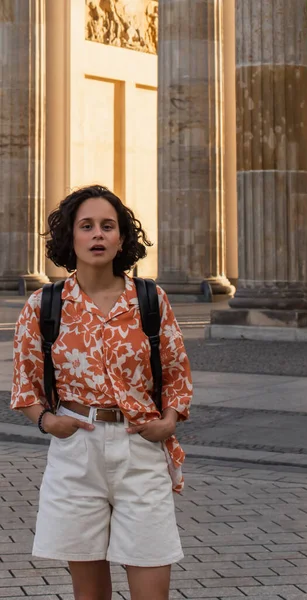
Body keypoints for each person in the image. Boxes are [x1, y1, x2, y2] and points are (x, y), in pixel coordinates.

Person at [11, 185, 192, 600]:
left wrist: (168, 421)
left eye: (107, 226)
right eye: (86, 226)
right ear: (69, 237)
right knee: (89, 596)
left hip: (140, 450)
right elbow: (25, 384)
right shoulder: (45, 305)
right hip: (78, 451)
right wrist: (47, 421)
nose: (97, 235)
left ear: (122, 238)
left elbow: (178, 375)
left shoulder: (150, 299)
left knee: (152, 590)